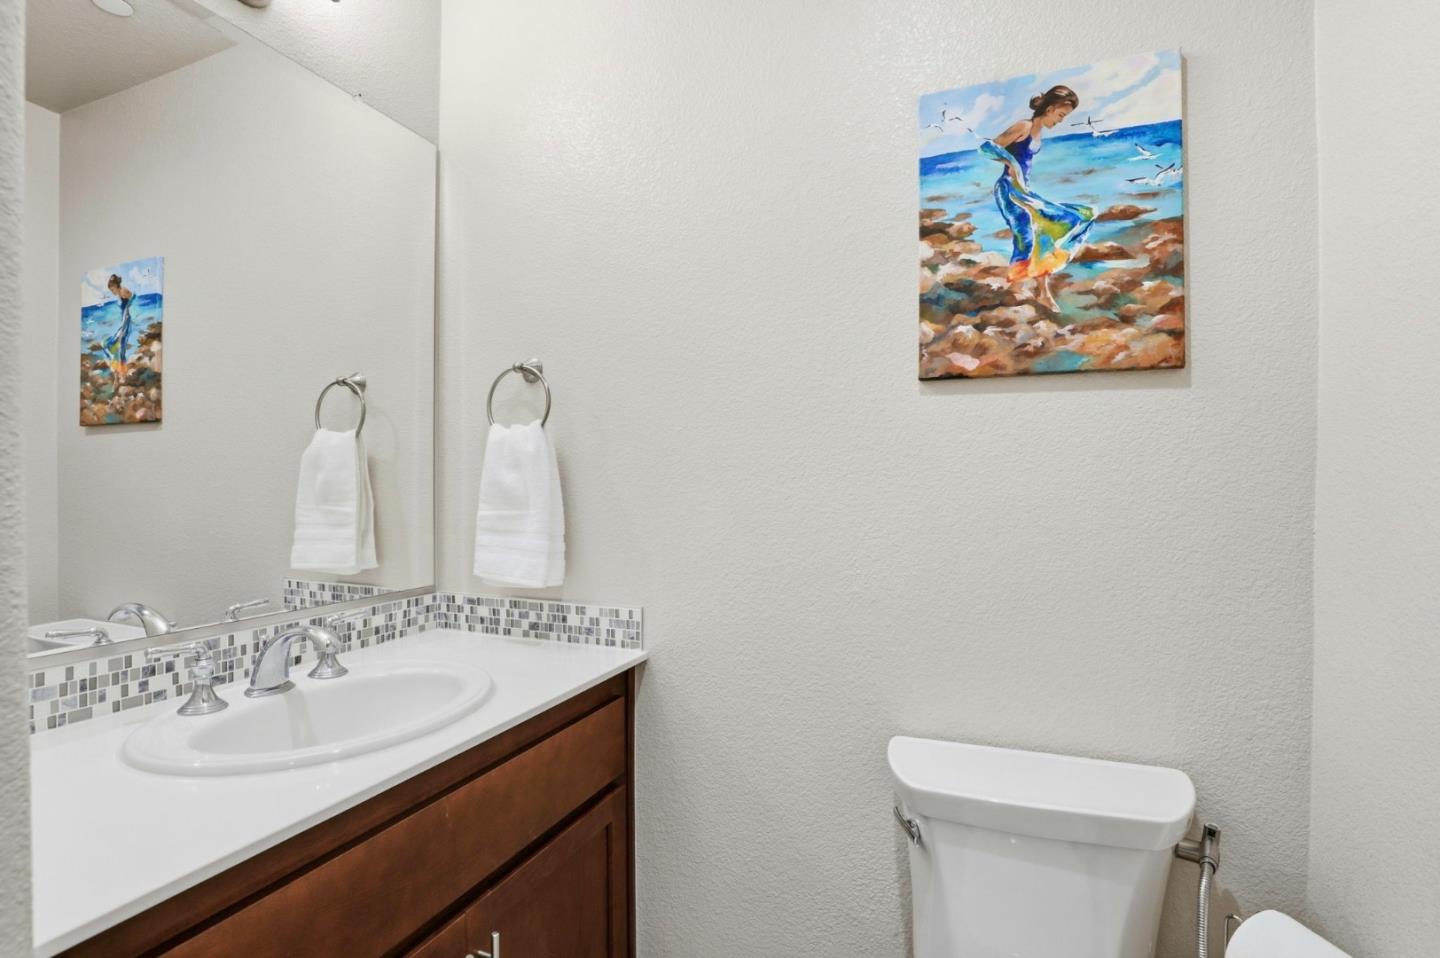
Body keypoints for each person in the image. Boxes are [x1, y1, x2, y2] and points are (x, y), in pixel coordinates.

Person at [981, 85, 1096, 311]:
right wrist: (1010, 163)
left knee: (1061, 223)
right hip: (1008, 190)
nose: (1061, 120)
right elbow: (986, 148)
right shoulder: (1024, 126)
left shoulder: (1037, 131)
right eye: (1061, 115)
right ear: (1051, 108)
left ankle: (1042, 292)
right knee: (1025, 235)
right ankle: (1015, 289)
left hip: (1023, 192)